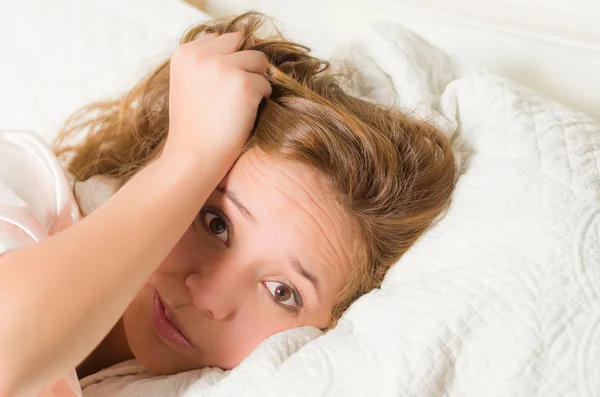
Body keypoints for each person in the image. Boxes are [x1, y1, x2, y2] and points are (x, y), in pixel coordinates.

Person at [0, 12, 456, 397]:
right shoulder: (24, 186)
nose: (211, 297)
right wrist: (190, 154)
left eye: (283, 292)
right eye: (216, 224)